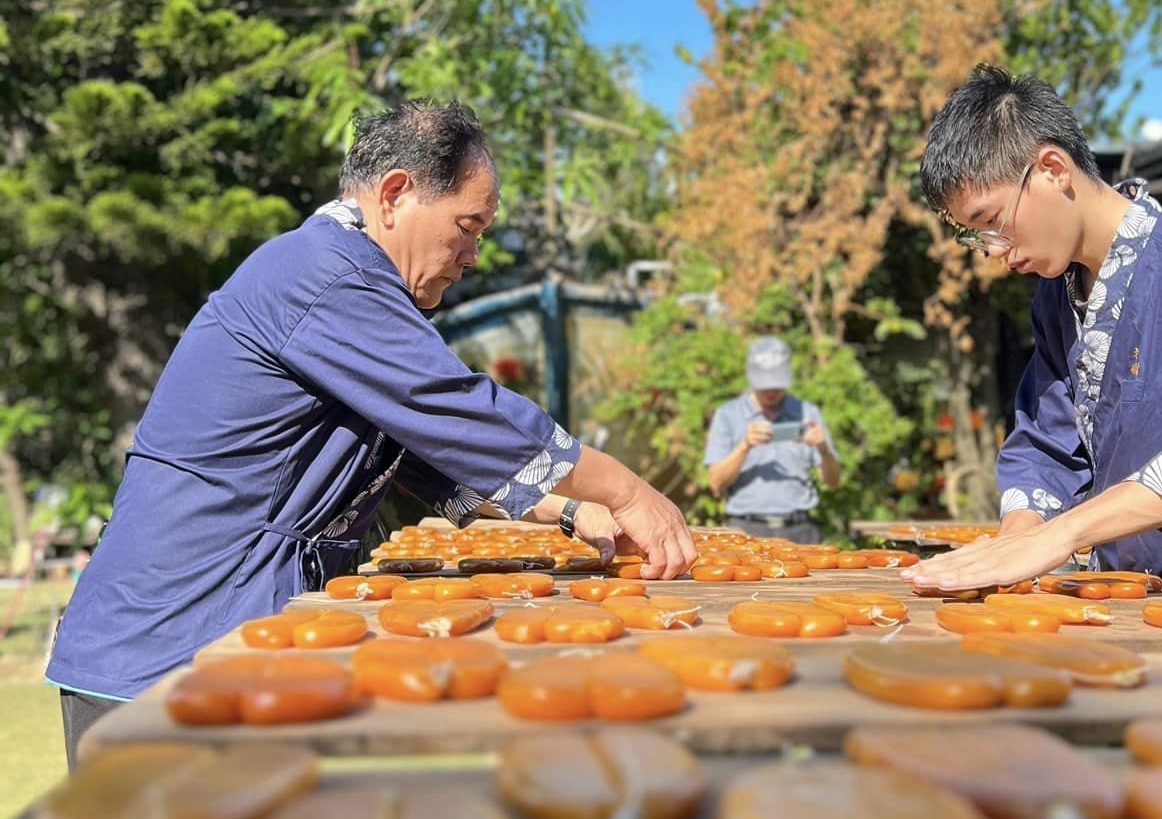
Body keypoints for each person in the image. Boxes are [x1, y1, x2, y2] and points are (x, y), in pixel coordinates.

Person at [46, 101, 697, 767]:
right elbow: (461, 411)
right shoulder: (327, 276)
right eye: (467, 227)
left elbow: (432, 462)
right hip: (167, 656)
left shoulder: (347, 282)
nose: (473, 256)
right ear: (394, 195)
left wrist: (569, 513)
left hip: (228, 649)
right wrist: (627, 491)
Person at [901, 66, 1162, 604]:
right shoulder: (1056, 297)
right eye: (979, 237)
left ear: (1052, 168)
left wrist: (1063, 533)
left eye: (994, 221)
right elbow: (1047, 442)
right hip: (1124, 604)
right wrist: (1018, 540)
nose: (995, 250)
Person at [704, 336, 841, 543]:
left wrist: (824, 449)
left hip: (801, 530)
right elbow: (716, 483)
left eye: (776, 384)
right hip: (745, 529)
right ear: (751, 377)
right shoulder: (728, 414)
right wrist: (744, 446)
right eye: (764, 384)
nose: (770, 392)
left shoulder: (807, 412)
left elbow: (833, 481)